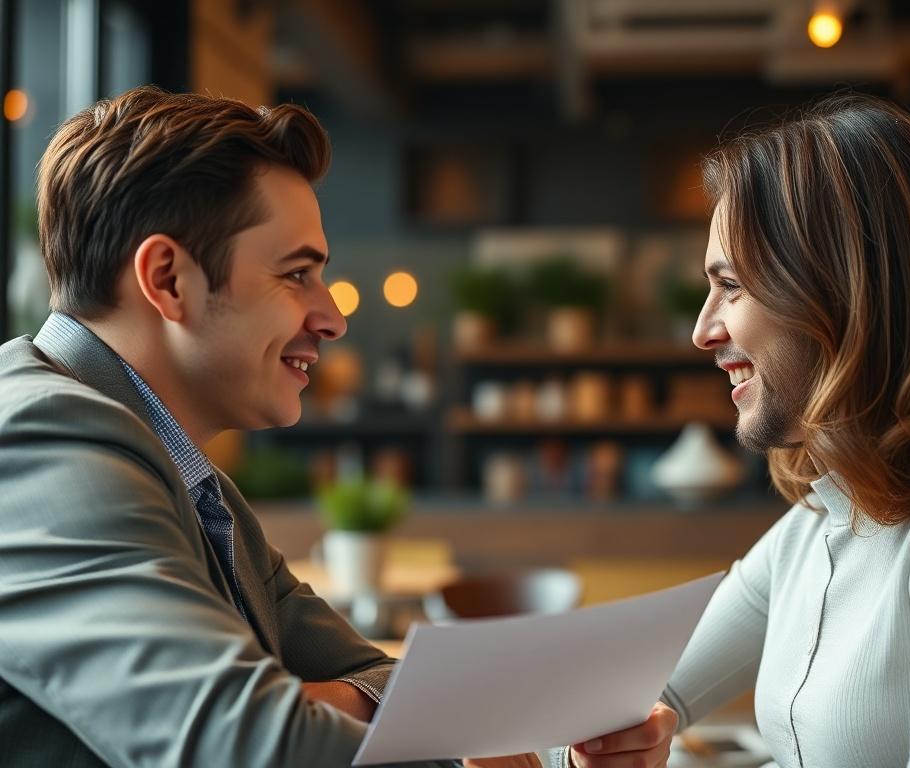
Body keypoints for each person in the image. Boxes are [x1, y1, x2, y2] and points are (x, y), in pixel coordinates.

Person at [0, 86, 680, 768]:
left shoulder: (202, 491)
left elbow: (393, 679)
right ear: (168, 279)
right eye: (297, 275)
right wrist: (308, 704)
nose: (333, 318)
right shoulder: (37, 443)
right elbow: (244, 743)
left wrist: (314, 698)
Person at [573, 94, 910, 768]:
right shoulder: (824, 517)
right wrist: (594, 752)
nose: (702, 331)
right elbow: (625, 702)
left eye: (731, 286)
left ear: (839, 289)